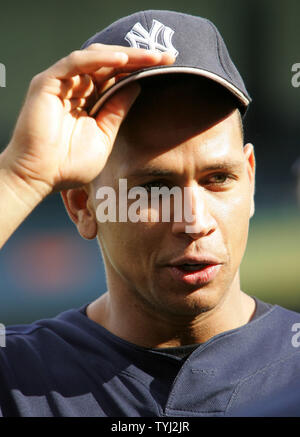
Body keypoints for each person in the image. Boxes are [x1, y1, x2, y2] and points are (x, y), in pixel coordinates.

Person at [0, 9, 300, 417]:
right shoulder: (17, 377)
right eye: (155, 188)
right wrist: (21, 176)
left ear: (249, 182)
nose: (194, 222)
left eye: (218, 178)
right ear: (83, 205)